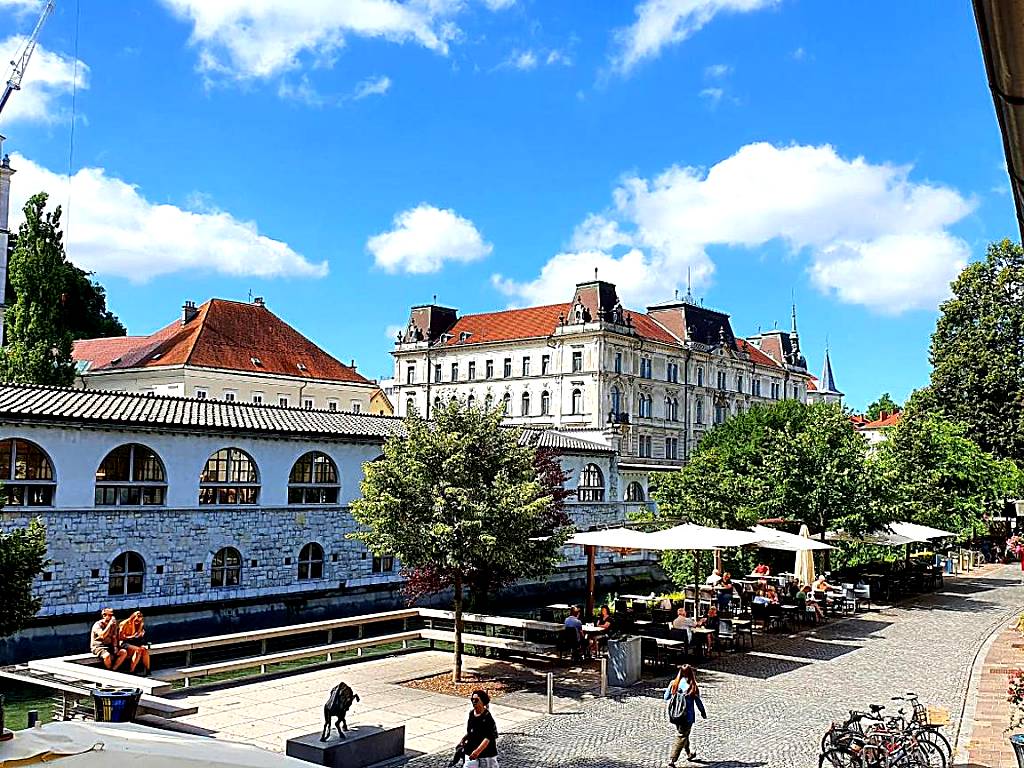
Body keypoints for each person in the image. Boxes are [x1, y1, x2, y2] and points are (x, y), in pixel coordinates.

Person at [664, 665, 707, 767]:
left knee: (683, 734)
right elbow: (698, 702)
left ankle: (689, 753)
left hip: (675, 715)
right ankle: (672, 759)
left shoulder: (674, 683)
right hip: (687, 717)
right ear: (691, 673)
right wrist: (703, 712)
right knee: (682, 735)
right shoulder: (692, 686)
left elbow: (666, 697)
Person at [460, 689, 499, 767]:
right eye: (472, 699)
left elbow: (488, 737)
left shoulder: (487, 718)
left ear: (483, 701)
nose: (473, 702)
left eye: (476, 700)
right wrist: (464, 738)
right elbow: (472, 730)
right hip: (471, 750)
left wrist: (477, 752)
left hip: (486, 753)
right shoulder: (471, 713)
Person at [118, 610, 150, 675]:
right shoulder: (124, 624)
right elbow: (120, 638)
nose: (137, 622)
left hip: (134, 641)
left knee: (144, 650)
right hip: (124, 642)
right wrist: (132, 636)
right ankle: (132, 671)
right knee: (138, 650)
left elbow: (139, 638)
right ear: (132, 618)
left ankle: (147, 670)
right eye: (136, 621)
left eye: (139, 621)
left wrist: (140, 635)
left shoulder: (141, 624)